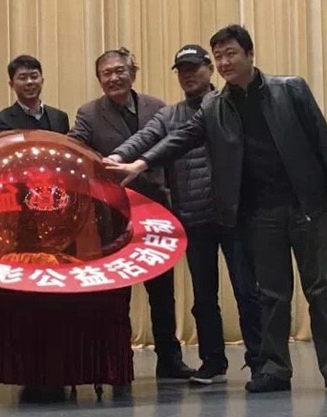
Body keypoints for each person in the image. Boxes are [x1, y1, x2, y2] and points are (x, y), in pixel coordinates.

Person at [105, 25, 327, 394]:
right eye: (219, 56)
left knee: (321, 289)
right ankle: (275, 369)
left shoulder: (290, 89)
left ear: (249, 54)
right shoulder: (215, 106)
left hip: (306, 205)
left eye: (230, 54)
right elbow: (180, 138)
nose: (224, 62)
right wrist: (138, 164)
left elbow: (321, 137)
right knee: (272, 294)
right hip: (259, 212)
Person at [108, 44, 262, 385]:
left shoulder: (229, 104)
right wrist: (116, 158)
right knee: (204, 297)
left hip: (235, 214)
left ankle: (260, 361)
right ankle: (212, 361)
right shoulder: (169, 115)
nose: (188, 75)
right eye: (182, 70)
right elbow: (144, 138)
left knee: (246, 290)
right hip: (192, 216)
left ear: (210, 68)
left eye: (194, 68)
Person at [68, 47, 194, 380]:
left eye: (119, 71)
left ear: (132, 73)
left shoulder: (158, 108)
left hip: (156, 211)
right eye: (106, 73)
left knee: (162, 291)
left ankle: (170, 359)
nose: (114, 78)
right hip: (111, 215)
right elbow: (76, 150)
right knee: (116, 292)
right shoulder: (88, 113)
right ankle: (117, 361)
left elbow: (174, 155)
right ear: (99, 79)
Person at [0, 55, 69, 134]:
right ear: (11, 84)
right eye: (23, 78)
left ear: (42, 81)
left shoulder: (60, 117)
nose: (29, 82)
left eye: (34, 77)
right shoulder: (1, 120)